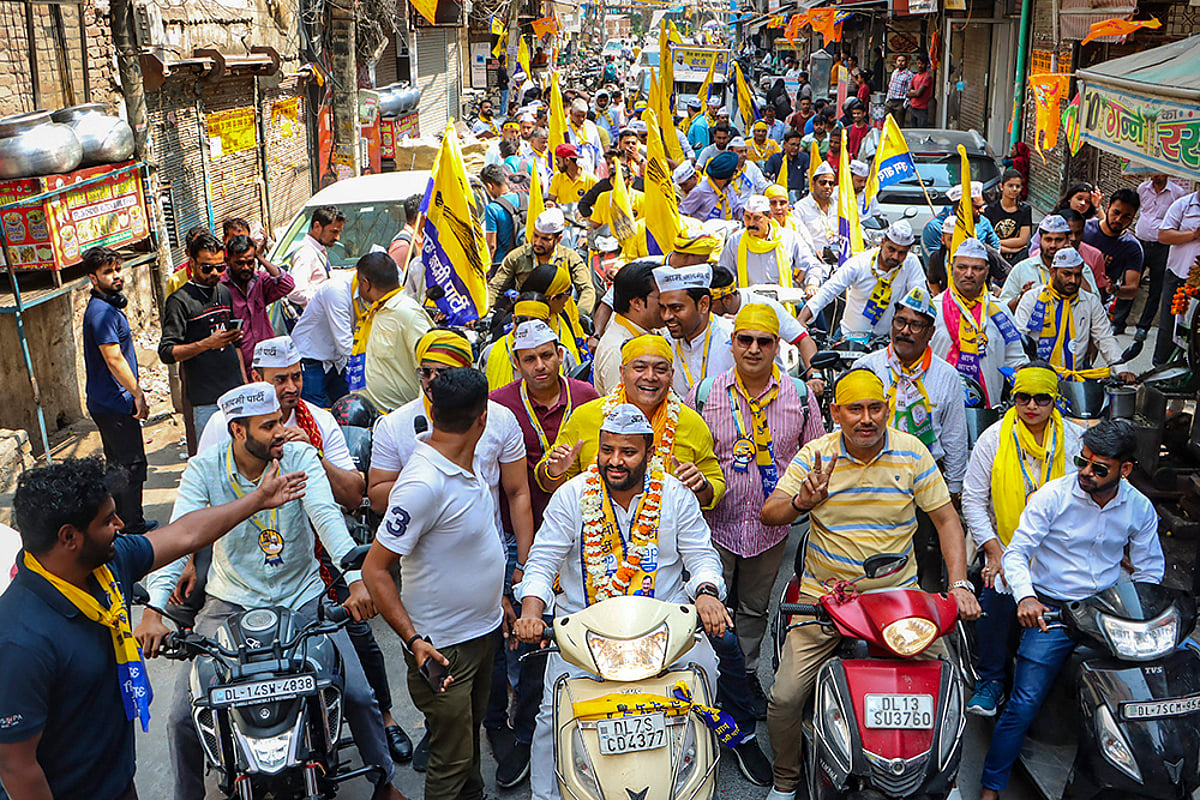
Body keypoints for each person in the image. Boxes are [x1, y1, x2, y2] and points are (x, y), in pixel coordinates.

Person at [138, 383, 406, 800]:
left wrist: (354, 581)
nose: (281, 431)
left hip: (303, 598)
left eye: (280, 421)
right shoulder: (204, 469)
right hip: (228, 604)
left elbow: (325, 516)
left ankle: (385, 783)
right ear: (237, 431)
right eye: (268, 426)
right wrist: (154, 609)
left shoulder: (298, 456)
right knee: (181, 717)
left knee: (356, 693)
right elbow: (178, 540)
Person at [0, 456, 304, 800]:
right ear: (69, 537)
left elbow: (185, 534)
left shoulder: (105, 567)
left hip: (115, 782)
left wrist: (258, 500)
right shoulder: (18, 641)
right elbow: (16, 766)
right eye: (106, 520)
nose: (119, 524)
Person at [760, 369, 981, 800]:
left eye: (874, 408)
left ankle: (943, 778)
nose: (866, 419)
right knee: (785, 698)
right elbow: (771, 512)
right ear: (836, 412)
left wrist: (959, 585)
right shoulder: (816, 455)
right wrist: (803, 502)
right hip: (826, 599)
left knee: (947, 684)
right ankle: (786, 781)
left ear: (888, 409)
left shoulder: (912, 453)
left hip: (899, 599)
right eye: (855, 409)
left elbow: (946, 521)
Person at [514, 403, 731, 800]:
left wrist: (706, 594)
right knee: (552, 718)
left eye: (627, 452)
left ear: (649, 454)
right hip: (584, 633)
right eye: (607, 450)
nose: (615, 461)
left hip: (663, 632)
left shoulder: (675, 495)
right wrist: (531, 612)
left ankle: (698, 787)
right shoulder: (572, 495)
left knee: (705, 686)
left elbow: (702, 556)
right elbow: (542, 560)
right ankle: (547, 795)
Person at [977, 420, 1164, 800]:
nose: (1085, 472)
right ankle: (990, 786)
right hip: (1052, 610)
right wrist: (1027, 598)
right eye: (1082, 461)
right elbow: (1017, 554)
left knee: (1139, 692)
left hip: (1107, 612)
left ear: (1124, 470)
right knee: (1025, 701)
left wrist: (1144, 612)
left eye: (1099, 468)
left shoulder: (1139, 507)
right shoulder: (1052, 496)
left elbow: (1149, 570)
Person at [362, 369, 506, 800]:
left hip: (481, 632)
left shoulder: (466, 462)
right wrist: (414, 640)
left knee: (467, 746)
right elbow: (374, 570)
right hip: (444, 648)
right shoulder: (423, 484)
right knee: (452, 758)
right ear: (482, 419)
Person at [687, 304, 824, 715]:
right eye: (744, 340)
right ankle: (709, 680)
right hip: (715, 525)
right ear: (732, 344)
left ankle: (743, 676)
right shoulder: (706, 393)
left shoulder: (798, 396)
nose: (753, 349)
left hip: (770, 529)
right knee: (709, 604)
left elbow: (815, 454)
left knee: (752, 609)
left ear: (777, 347)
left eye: (764, 342)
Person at [486, 320, 598, 784]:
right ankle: (525, 727)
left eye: (548, 355)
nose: (540, 366)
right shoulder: (500, 404)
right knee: (526, 636)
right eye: (529, 359)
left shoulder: (588, 396)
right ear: (516, 363)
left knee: (582, 621)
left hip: (589, 531)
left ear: (561, 355)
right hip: (523, 529)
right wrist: (519, 555)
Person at [960, 364, 1085, 717]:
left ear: (1054, 400)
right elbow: (972, 499)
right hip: (1003, 539)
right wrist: (994, 550)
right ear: (1012, 399)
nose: (1032, 405)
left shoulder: (1074, 440)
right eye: (1023, 397)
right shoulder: (995, 438)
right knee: (996, 595)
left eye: (1041, 398)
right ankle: (991, 680)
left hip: (1058, 548)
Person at [536, 334, 724, 511]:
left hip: (668, 535)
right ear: (622, 372)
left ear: (671, 375)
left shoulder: (691, 422)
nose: (650, 377)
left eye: (660, 369)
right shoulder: (586, 416)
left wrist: (701, 486)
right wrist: (554, 472)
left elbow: (714, 485)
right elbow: (548, 483)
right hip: (598, 535)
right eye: (640, 368)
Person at [858, 287, 968, 494]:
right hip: (871, 478)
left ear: (931, 333)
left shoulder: (947, 375)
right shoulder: (867, 367)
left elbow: (955, 437)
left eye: (916, 325)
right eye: (900, 321)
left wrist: (953, 489)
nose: (905, 331)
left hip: (925, 481)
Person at [81, 247, 153, 535]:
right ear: (93, 278)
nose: (117, 276)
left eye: (118, 269)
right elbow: (113, 359)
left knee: (117, 467)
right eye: (108, 272)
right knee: (132, 465)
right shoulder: (101, 314)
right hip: (114, 403)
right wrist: (137, 393)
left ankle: (120, 522)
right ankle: (132, 527)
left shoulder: (108, 308)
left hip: (108, 402)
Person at [158, 231, 245, 437]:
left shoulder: (224, 292)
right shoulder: (179, 301)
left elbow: (236, 347)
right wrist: (206, 344)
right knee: (212, 458)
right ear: (192, 263)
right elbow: (167, 352)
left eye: (220, 267)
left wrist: (244, 382)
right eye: (207, 268)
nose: (214, 273)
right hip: (205, 399)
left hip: (235, 392)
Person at [1013, 247, 1135, 382]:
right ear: (1053, 272)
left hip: (1076, 381)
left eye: (1077, 275)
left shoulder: (1090, 301)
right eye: (1067, 274)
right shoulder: (1032, 298)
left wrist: (1121, 369)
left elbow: (1105, 338)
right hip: (1037, 377)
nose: (1073, 280)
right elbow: (1019, 338)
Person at [931, 238, 1024, 408]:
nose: (969, 274)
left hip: (988, 413)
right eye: (962, 267)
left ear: (987, 271)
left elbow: (1016, 361)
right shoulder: (933, 310)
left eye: (977, 268)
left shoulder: (1000, 311)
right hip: (939, 409)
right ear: (951, 269)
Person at [799, 221, 927, 339]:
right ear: (882, 243)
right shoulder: (859, 263)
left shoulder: (911, 263)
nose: (895, 256)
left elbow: (919, 299)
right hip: (849, 337)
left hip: (886, 342)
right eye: (891, 249)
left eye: (901, 253)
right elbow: (828, 291)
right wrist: (802, 319)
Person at [352, 252, 432, 413]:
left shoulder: (408, 314)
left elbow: (430, 368)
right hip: (366, 414)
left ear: (365, 284)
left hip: (397, 417)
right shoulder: (375, 311)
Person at [488, 208, 596, 312]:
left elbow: (587, 289)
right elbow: (496, 287)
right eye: (536, 236)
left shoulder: (570, 258)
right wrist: (479, 312)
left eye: (545, 239)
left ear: (558, 240)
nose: (538, 243)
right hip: (526, 315)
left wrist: (580, 315)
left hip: (560, 317)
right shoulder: (516, 257)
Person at [654, 264, 735, 397]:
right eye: (663, 308)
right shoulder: (665, 345)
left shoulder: (733, 340)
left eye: (676, 308)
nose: (666, 316)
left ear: (703, 304)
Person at [222, 233, 294, 365]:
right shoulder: (221, 288)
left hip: (268, 361)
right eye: (240, 263)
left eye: (250, 262)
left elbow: (287, 284)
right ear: (228, 261)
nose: (246, 268)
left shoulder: (260, 280)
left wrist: (261, 258)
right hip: (239, 365)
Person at [593, 259, 663, 395]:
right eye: (660, 298)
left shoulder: (652, 330)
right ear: (637, 302)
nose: (668, 303)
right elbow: (621, 409)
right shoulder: (616, 350)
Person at [1000, 215, 1098, 311]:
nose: (1053, 245)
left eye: (1059, 240)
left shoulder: (1082, 269)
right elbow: (1002, 306)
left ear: (1067, 241)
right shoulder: (1022, 268)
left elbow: (1095, 304)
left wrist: (1076, 272)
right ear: (1040, 240)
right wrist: (1020, 299)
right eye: (1048, 239)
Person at [1132, 174, 1187, 344]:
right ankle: (1118, 321)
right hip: (1140, 242)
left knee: (1156, 288)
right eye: (1153, 172)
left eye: (1159, 172)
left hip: (1162, 247)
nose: (1155, 176)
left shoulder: (1177, 193)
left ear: (1166, 173)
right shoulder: (1142, 188)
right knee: (1131, 281)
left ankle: (1143, 327)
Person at [717, 194, 812, 289]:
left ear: (769, 217)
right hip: (748, 300)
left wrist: (812, 284)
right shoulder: (735, 241)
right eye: (747, 218)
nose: (751, 223)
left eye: (757, 218)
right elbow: (724, 271)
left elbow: (812, 265)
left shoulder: (789, 238)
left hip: (781, 300)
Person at [1085, 188, 1143, 334]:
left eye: (1126, 217)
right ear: (1107, 207)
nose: (1118, 220)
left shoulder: (1132, 248)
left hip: (1097, 309)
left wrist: (1114, 289)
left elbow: (1132, 289)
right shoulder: (1084, 230)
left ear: (1133, 218)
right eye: (1116, 213)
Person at [1154, 188, 1200, 366]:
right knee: (1169, 325)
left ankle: (1191, 367)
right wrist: (1193, 235)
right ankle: (1162, 366)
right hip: (1179, 275)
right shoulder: (1184, 205)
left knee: (1194, 330)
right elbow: (1163, 235)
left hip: (1198, 283)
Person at [288, 205, 345, 310]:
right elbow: (295, 292)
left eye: (339, 232)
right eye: (334, 231)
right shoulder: (306, 253)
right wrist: (323, 301)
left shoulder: (318, 251)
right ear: (317, 227)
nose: (337, 238)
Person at [921, 182, 1001, 255]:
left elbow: (995, 245)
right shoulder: (934, 227)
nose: (982, 210)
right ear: (962, 206)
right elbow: (935, 262)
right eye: (978, 207)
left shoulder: (983, 222)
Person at [791, 162, 838, 271]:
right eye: (822, 182)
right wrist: (811, 252)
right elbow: (796, 238)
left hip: (838, 262)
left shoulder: (839, 206)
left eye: (831, 183)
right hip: (813, 264)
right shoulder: (800, 208)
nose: (827, 187)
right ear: (813, 183)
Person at [679, 151, 744, 222]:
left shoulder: (728, 188)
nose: (735, 174)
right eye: (734, 172)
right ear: (725, 176)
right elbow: (681, 213)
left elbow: (738, 208)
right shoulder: (700, 191)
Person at [481, 164, 525, 269]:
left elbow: (492, 245)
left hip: (502, 264)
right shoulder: (525, 198)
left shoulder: (492, 208)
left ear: (490, 186)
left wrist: (488, 269)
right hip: (524, 261)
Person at [985, 169, 1033, 263]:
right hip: (994, 256)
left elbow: (1022, 240)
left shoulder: (1025, 210)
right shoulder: (990, 210)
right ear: (1001, 187)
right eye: (1010, 185)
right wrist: (1011, 249)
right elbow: (986, 242)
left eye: (1018, 186)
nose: (1014, 189)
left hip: (1018, 257)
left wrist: (996, 242)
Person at [762, 129, 809, 200]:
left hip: (798, 195)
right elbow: (767, 175)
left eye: (798, 145)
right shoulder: (775, 158)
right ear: (784, 144)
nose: (796, 148)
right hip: (780, 194)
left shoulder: (804, 157)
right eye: (792, 145)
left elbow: (809, 173)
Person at [566, 98, 603, 173]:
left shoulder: (591, 126)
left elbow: (598, 151)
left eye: (584, 115)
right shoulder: (564, 127)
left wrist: (598, 171)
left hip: (590, 173)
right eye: (578, 116)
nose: (581, 119)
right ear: (571, 112)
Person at [906, 54, 934, 127]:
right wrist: (914, 92)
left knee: (921, 131)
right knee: (913, 130)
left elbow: (919, 93)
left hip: (922, 108)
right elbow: (908, 92)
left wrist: (913, 92)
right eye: (918, 63)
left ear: (926, 64)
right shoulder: (915, 76)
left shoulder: (927, 77)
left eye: (922, 64)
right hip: (913, 106)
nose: (920, 65)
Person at [885, 53, 913, 123]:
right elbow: (891, 85)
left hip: (900, 102)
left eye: (902, 61)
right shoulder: (895, 72)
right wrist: (887, 99)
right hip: (890, 101)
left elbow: (909, 90)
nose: (900, 63)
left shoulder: (909, 75)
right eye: (899, 61)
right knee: (888, 123)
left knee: (898, 124)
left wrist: (905, 104)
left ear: (906, 62)